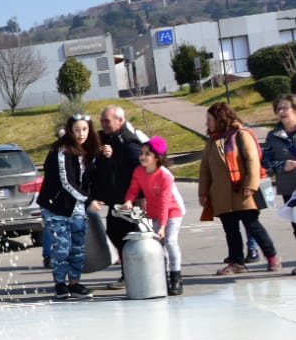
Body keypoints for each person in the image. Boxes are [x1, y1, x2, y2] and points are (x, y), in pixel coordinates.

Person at [200, 100, 278, 274]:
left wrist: (251, 184)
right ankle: (237, 262)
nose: (207, 124)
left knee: (252, 225)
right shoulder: (212, 141)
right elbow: (205, 168)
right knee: (230, 230)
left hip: (242, 191)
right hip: (221, 195)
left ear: (220, 119)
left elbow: (253, 161)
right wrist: (203, 192)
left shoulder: (241, 135)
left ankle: (272, 257)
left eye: (210, 119)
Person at [35, 114, 99, 300]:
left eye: (85, 129)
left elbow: (90, 177)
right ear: (70, 130)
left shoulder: (88, 149)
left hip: (76, 206)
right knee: (62, 247)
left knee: (78, 247)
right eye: (77, 130)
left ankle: (75, 282)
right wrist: (87, 200)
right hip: (56, 206)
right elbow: (66, 181)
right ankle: (60, 284)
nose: (81, 134)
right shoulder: (62, 150)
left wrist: (103, 156)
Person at [122, 136, 186, 296]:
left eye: (147, 154)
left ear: (156, 157)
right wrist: (129, 200)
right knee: (159, 245)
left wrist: (163, 226)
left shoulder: (165, 175)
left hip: (173, 210)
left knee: (170, 241)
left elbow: (165, 202)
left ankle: (176, 278)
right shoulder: (139, 171)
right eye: (142, 153)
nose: (142, 157)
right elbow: (133, 189)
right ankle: (162, 278)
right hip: (155, 212)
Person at [90, 105, 149, 264]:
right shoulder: (111, 140)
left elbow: (141, 169)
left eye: (107, 121)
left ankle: (140, 272)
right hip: (118, 201)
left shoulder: (128, 143)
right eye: (102, 121)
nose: (103, 124)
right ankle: (128, 272)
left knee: (135, 238)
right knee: (115, 234)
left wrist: (135, 197)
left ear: (120, 121)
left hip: (131, 202)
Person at [261, 93, 296, 272]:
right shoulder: (273, 136)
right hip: (290, 187)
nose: (281, 111)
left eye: (285, 107)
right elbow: (265, 162)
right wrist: (283, 165)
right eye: (278, 109)